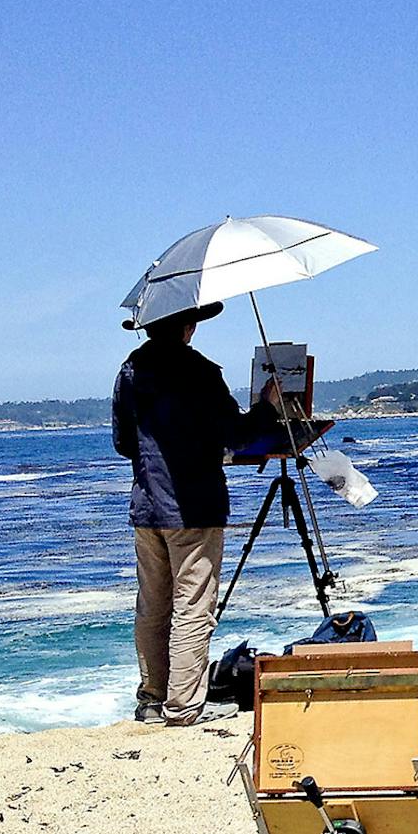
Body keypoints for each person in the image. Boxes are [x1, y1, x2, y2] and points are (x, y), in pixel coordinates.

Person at [112, 302, 283, 725]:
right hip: (193, 506)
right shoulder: (200, 372)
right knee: (193, 607)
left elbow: (122, 441)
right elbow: (237, 434)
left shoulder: (129, 371)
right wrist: (268, 405)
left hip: (148, 505)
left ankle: (152, 698)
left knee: (153, 607)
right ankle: (185, 706)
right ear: (188, 326)